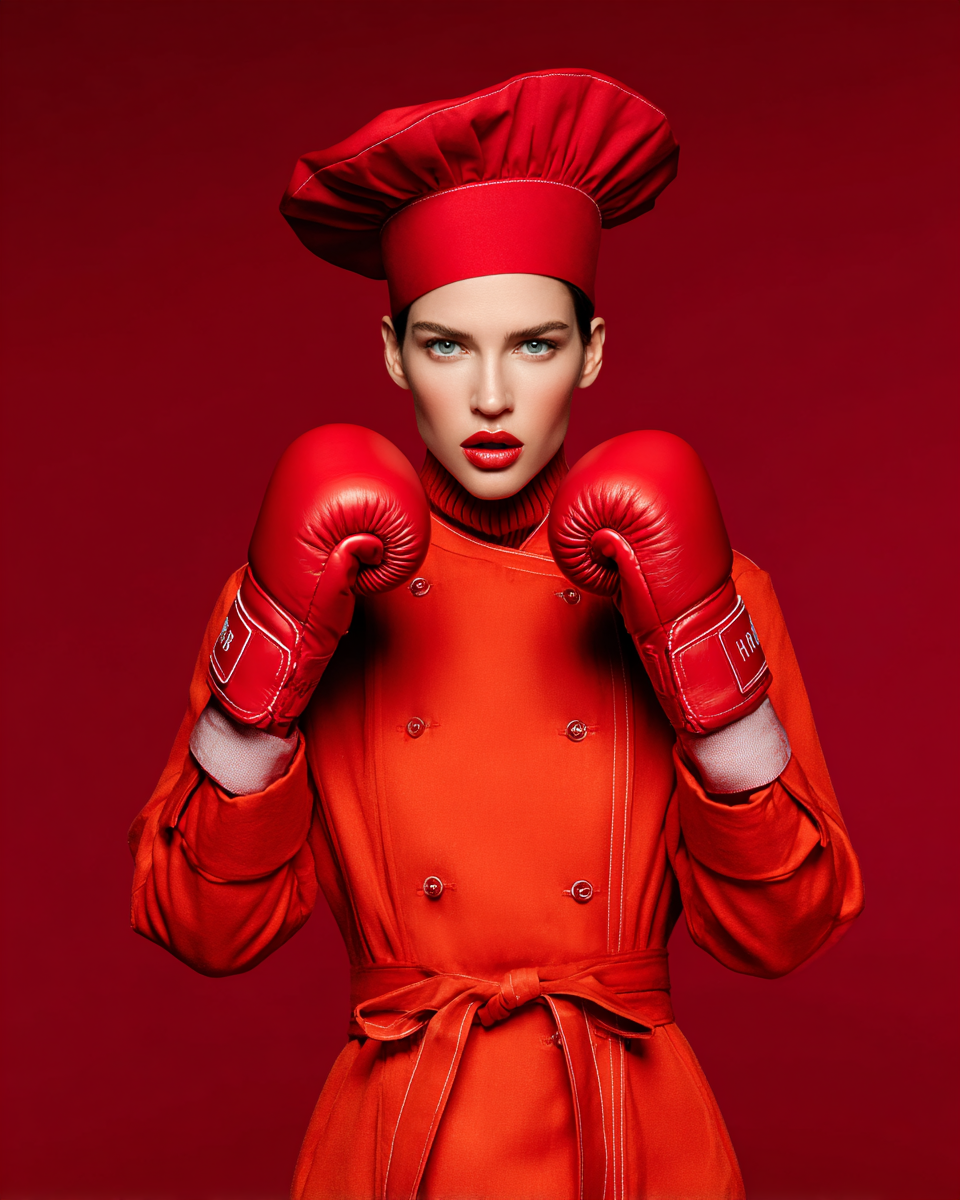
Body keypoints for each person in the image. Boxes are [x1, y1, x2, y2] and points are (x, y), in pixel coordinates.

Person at [129, 69, 863, 1200]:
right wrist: (261, 690)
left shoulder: (710, 586)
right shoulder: (302, 585)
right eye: (444, 346)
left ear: (593, 351)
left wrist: (712, 683)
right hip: (400, 1146)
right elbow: (201, 928)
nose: (487, 396)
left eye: (530, 345)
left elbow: (789, 931)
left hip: (632, 1140)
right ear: (390, 353)